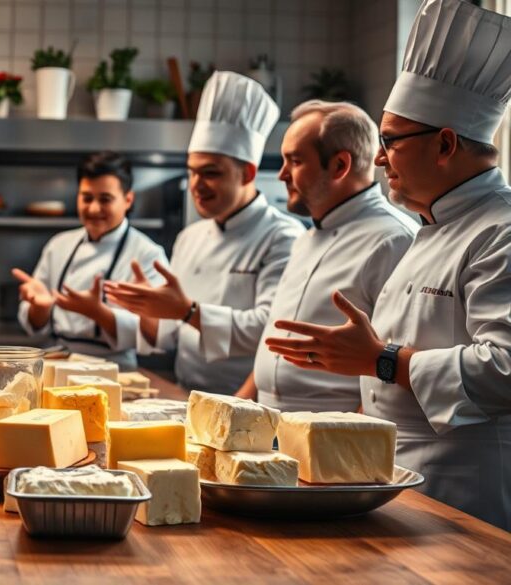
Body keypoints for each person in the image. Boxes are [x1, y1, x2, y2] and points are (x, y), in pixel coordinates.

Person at [265, 0, 511, 530]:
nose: (380, 159)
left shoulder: (501, 232)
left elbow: (506, 368)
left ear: (445, 144)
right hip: (393, 484)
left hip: (467, 492)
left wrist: (384, 360)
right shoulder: (429, 226)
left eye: (392, 142)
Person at [105, 71, 303, 392]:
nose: (196, 185)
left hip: (249, 405)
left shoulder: (283, 236)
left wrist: (187, 310)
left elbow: (272, 329)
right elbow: (172, 334)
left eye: (210, 173)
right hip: (185, 395)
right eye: (192, 172)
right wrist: (149, 311)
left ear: (247, 172)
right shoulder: (190, 237)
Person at [234, 100, 417, 412]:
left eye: (294, 162)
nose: (281, 175)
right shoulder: (305, 238)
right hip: (267, 427)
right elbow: (274, 350)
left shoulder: (394, 239)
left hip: (327, 442)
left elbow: (388, 372)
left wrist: (349, 446)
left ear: (339, 166)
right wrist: (232, 407)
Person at [11, 151, 169, 367]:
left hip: (116, 369)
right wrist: (40, 308)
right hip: (58, 363)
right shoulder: (59, 245)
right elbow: (35, 325)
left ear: (128, 199)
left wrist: (98, 313)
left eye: (105, 199)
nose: (94, 208)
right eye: (87, 198)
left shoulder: (148, 254)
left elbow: (159, 334)